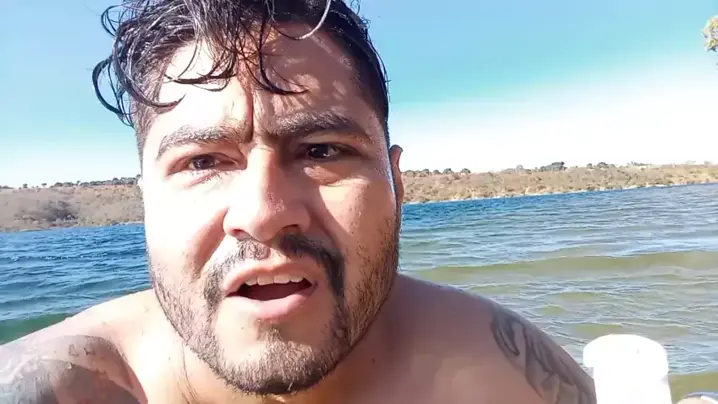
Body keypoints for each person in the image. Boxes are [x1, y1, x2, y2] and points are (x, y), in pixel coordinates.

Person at [0, 0, 597, 403]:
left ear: (397, 184)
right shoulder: (59, 385)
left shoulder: (504, 369)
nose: (262, 213)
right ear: (146, 199)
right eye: (202, 162)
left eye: (322, 151)